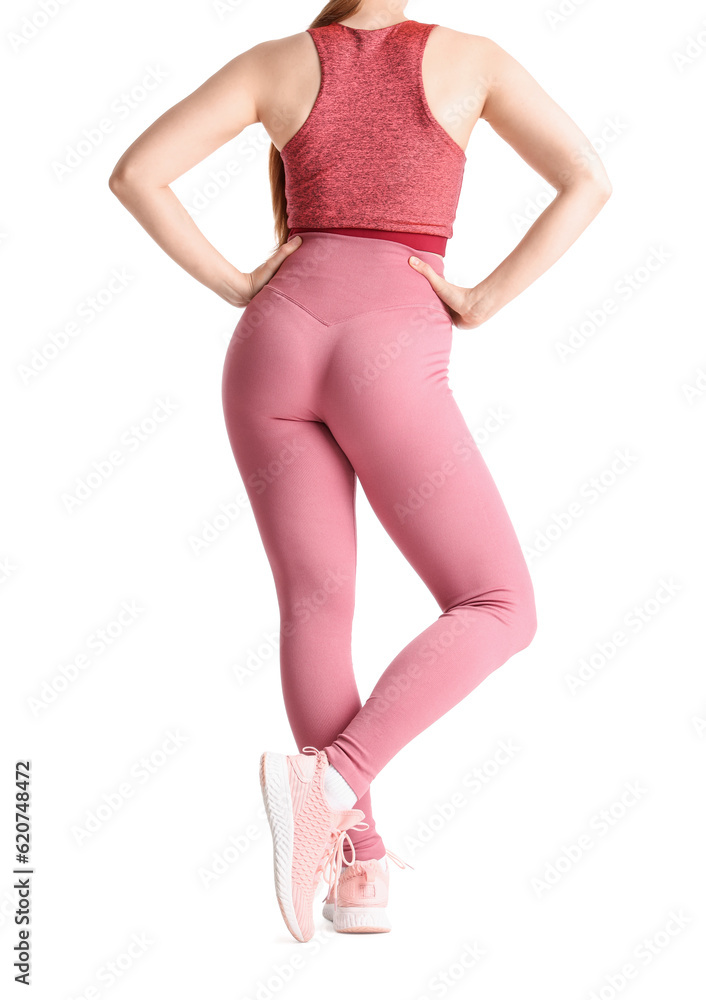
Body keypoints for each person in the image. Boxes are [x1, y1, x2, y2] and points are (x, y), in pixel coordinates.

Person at [109, 0, 612, 943]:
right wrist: (479, 299)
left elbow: (136, 173)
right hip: (389, 344)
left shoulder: (278, 61)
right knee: (501, 604)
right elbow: (588, 179)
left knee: (314, 605)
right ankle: (332, 785)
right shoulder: (470, 59)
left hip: (271, 346)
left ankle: (358, 870)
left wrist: (242, 285)